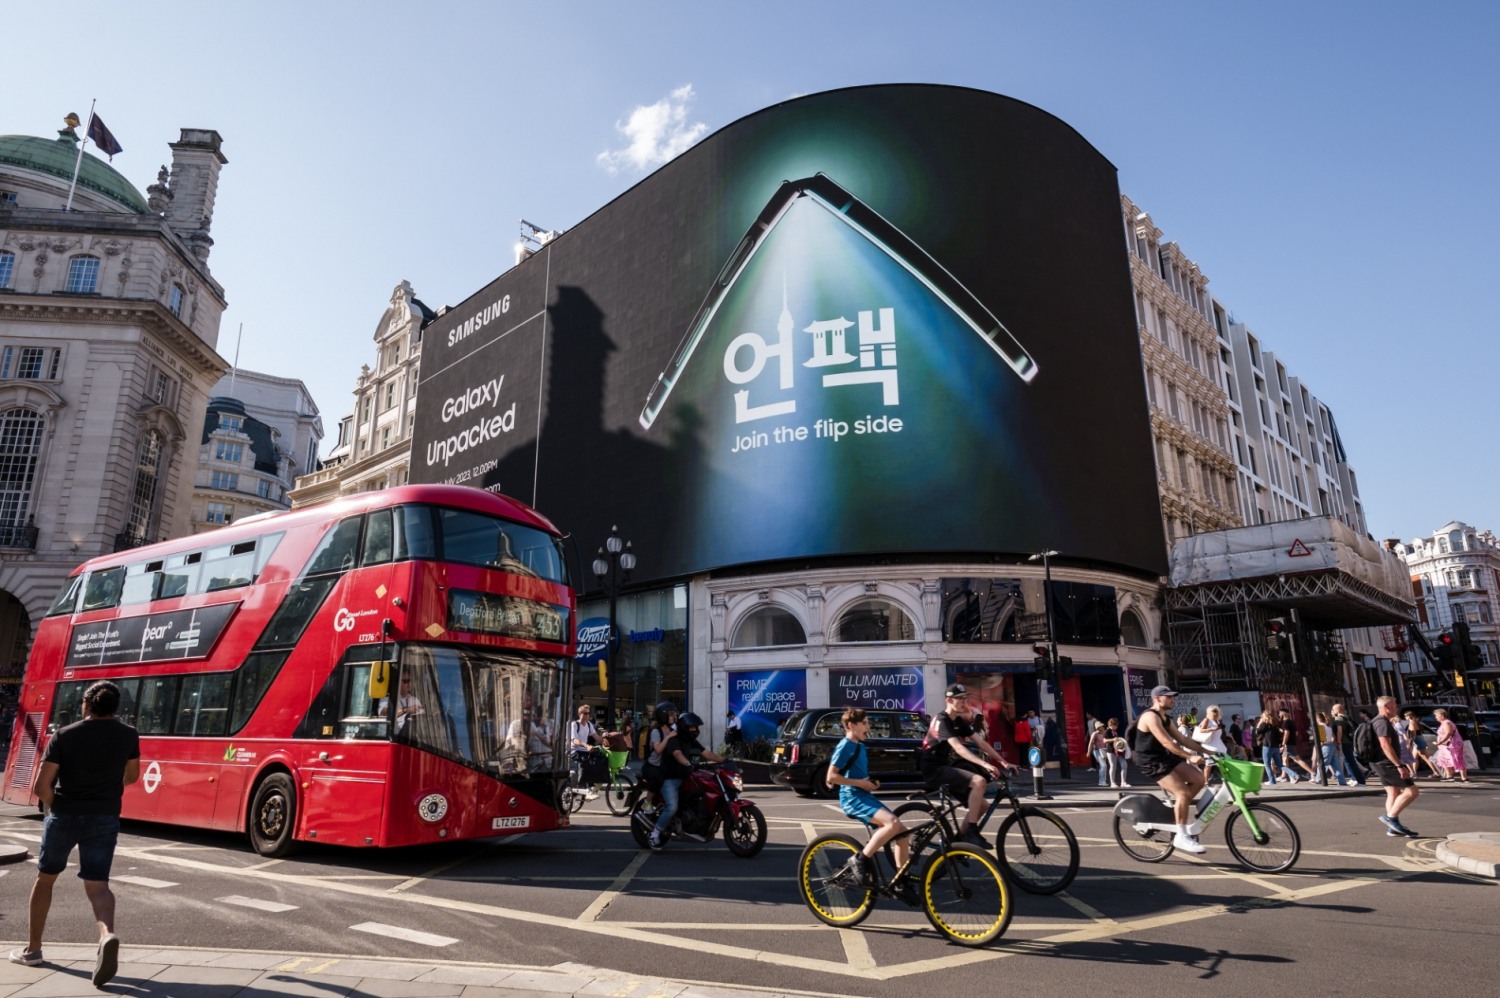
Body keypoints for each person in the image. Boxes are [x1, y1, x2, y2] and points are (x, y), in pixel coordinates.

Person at [11, 681, 140, 988]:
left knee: (45, 879)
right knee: (98, 885)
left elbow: (41, 786)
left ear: (86, 704)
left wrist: (56, 806)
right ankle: (106, 935)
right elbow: (132, 776)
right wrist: (107, 786)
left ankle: (33, 949)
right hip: (104, 815)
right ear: (115, 707)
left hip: (65, 814)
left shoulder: (65, 735)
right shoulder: (128, 735)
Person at [919, 684, 1019, 845]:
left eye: (965, 698)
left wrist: (1004, 762)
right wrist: (985, 765)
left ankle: (958, 843)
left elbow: (981, 743)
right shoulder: (942, 720)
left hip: (945, 766)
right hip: (933, 769)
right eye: (959, 699)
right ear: (948, 700)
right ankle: (972, 831)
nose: (964, 702)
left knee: (982, 806)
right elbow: (958, 748)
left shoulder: (958, 721)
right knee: (979, 781)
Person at [827, 707, 910, 883]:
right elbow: (831, 776)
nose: (868, 727)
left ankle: (901, 880)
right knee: (892, 823)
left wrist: (869, 783)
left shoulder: (860, 746)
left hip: (862, 795)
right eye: (864, 723)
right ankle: (860, 860)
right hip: (852, 798)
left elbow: (855, 774)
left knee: (903, 833)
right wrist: (860, 784)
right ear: (851, 725)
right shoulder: (845, 746)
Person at [1131, 686, 1208, 853]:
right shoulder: (1150, 716)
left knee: (1199, 779)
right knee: (1182, 793)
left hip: (1164, 757)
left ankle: (1177, 812)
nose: (1173, 700)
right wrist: (1189, 757)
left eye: (1173, 697)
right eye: (1169, 697)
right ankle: (1181, 835)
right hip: (1150, 761)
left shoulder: (1166, 718)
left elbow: (1183, 739)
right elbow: (1167, 742)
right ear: (1158, 699)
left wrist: (1207, 751)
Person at [648, 711, 721, 849]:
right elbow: (677, 754)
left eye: (696, 727)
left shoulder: (691, 740)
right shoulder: (674, 739)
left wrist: (724, 760)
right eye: (691, 727)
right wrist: (688, 763)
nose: (694, 730)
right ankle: (655, 835)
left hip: (687, 777)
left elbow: (706, 753)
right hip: (670, 778)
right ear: (683, 727)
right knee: (672, 807)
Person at [1370, 695, 1420, 836]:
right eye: (1394, 705)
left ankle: (1393, 827)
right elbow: (1385, 746)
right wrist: (1399, 765)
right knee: (1412, 791)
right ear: (1386, 707)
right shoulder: (1382, 723)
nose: (1396, 708)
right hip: (1387, 763)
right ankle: (1390, 818)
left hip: (1380, 762)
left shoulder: (1378, 721)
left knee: (1393, 792)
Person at [568, 705, 601, 799]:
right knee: (587, 763)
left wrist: (608, 741)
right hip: (575, 751)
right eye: (585, 713)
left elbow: (597, 737)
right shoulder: (575, 724)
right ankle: (589, 790)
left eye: (588, 713)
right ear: (579, 714)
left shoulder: (589, 724)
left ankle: (592, 786)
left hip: (585, 751)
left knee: (599, 759)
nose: (587, 715)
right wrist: (586, 746)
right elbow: (575, 740)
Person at [1278, 709, 1317, 782]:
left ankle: (1312, 773)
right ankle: (1283, 776)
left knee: (1296, 759)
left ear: (1283, 714)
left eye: (1280, 713)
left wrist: (1283, 744)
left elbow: (1286, 734)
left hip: (1288, 744)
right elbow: (1296, 733)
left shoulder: (1286, 722)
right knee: (1284, 759)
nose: (1279, 715)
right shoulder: (1291, 722)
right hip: (1291, 743)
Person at [1432, 708, 1469, 783]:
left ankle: (1464, 778)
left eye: (1436, 715)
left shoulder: (1446, 723)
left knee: (1457, 759)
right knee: (1444, 759)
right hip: (1445, 745)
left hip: (1451, 744)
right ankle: (1449, 776)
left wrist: (1440, 742)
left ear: (1441, 715)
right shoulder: (1444, 723)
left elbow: (1449, 733)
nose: (1435, 717)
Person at [1331, 704, 1366, 785]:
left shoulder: (1338, 719)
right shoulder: (1347, 717)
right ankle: (1353, 778)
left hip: (1344, 742)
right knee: (1347, 760)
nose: (1332, 711)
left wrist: (1339, 742)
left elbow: (1339, 731)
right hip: (1350, 741)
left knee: (1351, 762)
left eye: (1333, 709)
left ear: (1338, 710)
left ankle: (1360, 781)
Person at [1255, 709, 1292, 784]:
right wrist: (1280, 745)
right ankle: (1293, 774)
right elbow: (1278, 737)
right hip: (1275, 747)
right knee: (1279, 764)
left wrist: (1259, 723)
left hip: (1267, 747)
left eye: (1262, 716)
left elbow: (1257, 732)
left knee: (1267, 765)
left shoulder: (1265, 725)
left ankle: (1272, 781)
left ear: (1265, 717)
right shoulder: (1274, 726)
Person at [1193, 706, 1228, 783]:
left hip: (1217, 744)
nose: (1215, 713)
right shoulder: (1207, 720)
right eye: (1213, 711)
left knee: (1222, 762)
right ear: (1209, 712)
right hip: (1209, 745)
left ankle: (1224, 778)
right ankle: (1206, 781)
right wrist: (1212, 729)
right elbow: (1201, 730)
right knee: (1209, 763)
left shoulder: (1217, 721)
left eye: (1216, 711)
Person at [1314, 711, 1349, 786]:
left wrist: (1321, 744)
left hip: (1325, 747)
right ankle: (1342, 781)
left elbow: (1322, 740)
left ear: (1318, 719)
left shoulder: (1320, 727)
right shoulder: (1328, 727)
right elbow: (1333, 737)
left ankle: (1318, 779)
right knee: (1336, 765)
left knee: (1322, 764)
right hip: (1332, 746)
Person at [1403, 710, 1440, 779]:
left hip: (1418, 741)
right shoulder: (1414, 722)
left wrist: (1410, 743)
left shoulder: (1412, 722)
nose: (1405, 718)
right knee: (1414, 758)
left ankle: (1436, 772)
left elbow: (1413, 734)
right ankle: (1413, 773)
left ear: (1409, 716)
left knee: (1425, 758)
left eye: (1406, 716)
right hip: (1418, 740)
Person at [1104, 717, 1128, 788]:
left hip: (1119, 750)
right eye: (1113, 725)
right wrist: (1113, 739)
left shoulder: (1116, 731)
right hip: (1111, 750)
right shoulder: (1107, 731)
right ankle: (1112, 782)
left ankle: (1123, 782)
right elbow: (1104, 740)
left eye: (1116, 725)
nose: (1115, 727)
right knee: (1113, 766)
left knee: (1124, 765)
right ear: (1110, 725)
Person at [1089, 721, 1111, 787]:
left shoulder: (1104, 732)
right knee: (1103, 765)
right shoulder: (1095, 734)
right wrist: (1088, 751)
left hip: (1103, 750)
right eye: (1101, 726)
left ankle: (1103, 781)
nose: (1103, 727)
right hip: (1097, 751)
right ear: (1098, 727)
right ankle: (1102, 781)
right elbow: (1091, 743)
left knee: (1103, 766)